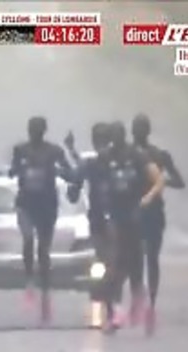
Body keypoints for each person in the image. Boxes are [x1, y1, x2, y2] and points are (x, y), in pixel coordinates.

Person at [94, 121, 164, 333]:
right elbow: (94, 179)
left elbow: (158, 180)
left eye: (118, 135)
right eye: (112, 136)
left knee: (133, 262)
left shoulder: (136, 155)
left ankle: (137, 302)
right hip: (113, 218)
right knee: (112, 265)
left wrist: (148, 198)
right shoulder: (105, 157)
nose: (115, 140)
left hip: (134, 217)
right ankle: (113, 312)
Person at [8, 116, 74, 324]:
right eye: (32, 129)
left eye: (38, 129)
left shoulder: (54, 151)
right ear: (28, 131)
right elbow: (11, 172)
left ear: (44, 131)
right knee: (28, 239)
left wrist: (58, 170)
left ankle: (45, 294)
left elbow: (69, 173)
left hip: (47, 205)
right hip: (26, 204)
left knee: (43, 250)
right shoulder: (20, 150)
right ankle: (29, 281)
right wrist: (20, 169)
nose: (34, 133)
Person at [130, 114, 185, 335]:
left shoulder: (157, 155)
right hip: (136, 212)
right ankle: (143, 300)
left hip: (150, 212)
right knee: (140, 258)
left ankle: (148, 303)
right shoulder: (129, 154)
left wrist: (161, 180)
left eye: (139, 128)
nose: (138, 132)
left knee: (148, 258)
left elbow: (180, 182)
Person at [65, 123, 112, 327]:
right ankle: (109, 304)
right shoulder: (113, 160)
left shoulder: (107, 161)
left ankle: (109, 303)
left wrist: (73, 190)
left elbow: (76, 180)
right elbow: (78, 176)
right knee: (107, 260)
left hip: (110, 218)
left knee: (108, 260)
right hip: (104, 219)